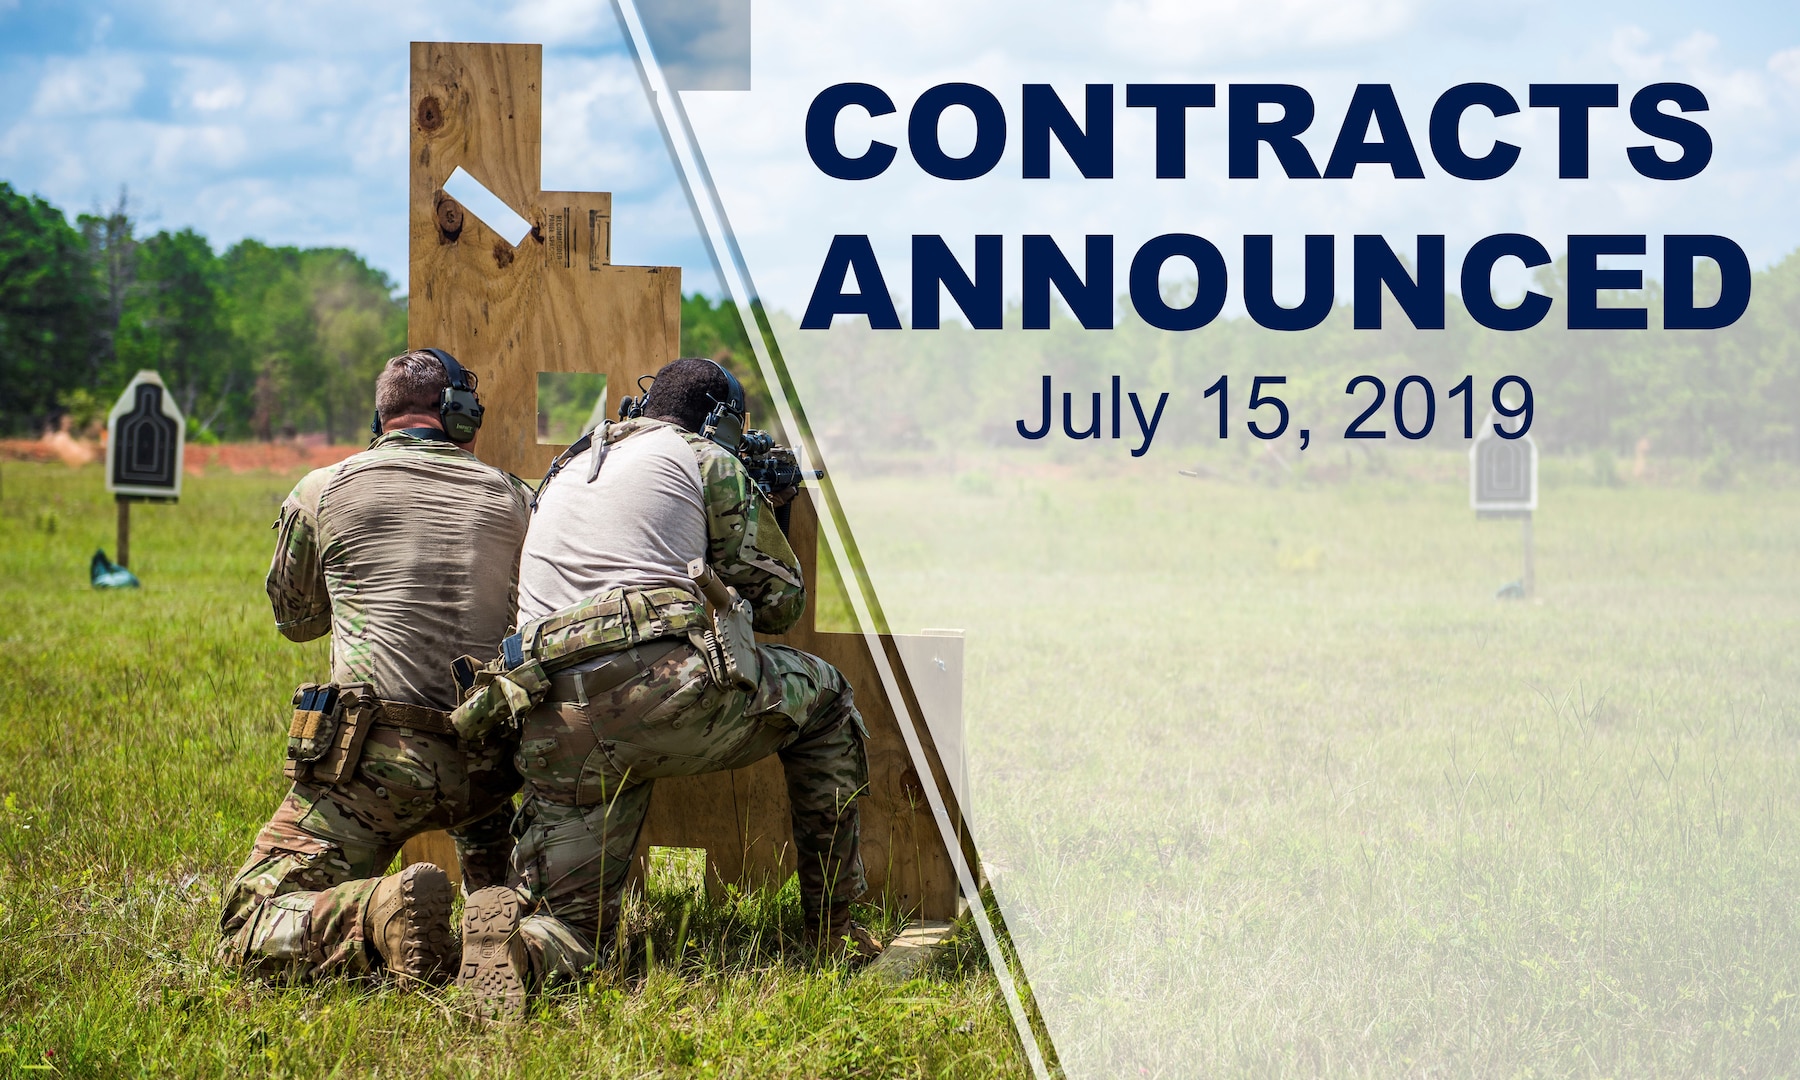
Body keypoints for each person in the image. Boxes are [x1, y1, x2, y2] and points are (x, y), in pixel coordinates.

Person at [454, 357, 877, 1020]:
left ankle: (519, 952)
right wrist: (771, 504)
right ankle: (836, 930)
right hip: (657, 694)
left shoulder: (569, 463)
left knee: (575, 929)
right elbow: (779, 603)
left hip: (547, 716)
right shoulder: (705, 455)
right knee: (826, 700)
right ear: (717, 419)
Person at [217, 349, 531, 983]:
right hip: (490, 767)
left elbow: (296, 620)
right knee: (490, 836)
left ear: (381, 414)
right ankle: (496, 905)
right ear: (458, 414)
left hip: (375, 763)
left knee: (246, 924)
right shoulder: (517, 497)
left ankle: (381, 912)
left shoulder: (321, 489)